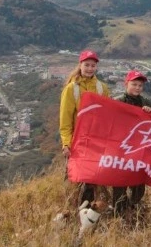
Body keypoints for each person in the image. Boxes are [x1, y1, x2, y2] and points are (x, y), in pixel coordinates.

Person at [58, 50, 111, 207]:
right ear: (80, 65)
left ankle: (93, 209)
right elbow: (65, 119)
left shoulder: (102, 88)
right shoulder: (71, 89)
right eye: (86, 65)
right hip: (77, 142)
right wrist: (66, 143)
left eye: (92, 65)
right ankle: (69, 209)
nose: (89, 68)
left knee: (95, 179)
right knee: (74, 179)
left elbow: (108, 116)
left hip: (96, 142)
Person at [112, 70, 151, 216]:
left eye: (140, 85)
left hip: (139, 151)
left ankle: (132, 207)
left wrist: (150, 112)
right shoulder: (117, 102)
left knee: (139, 184)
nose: (137, 88)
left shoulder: (146, 102)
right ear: (126, 84)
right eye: (134, 84)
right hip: (120, 150)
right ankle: (119, 212)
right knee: (119, 183)